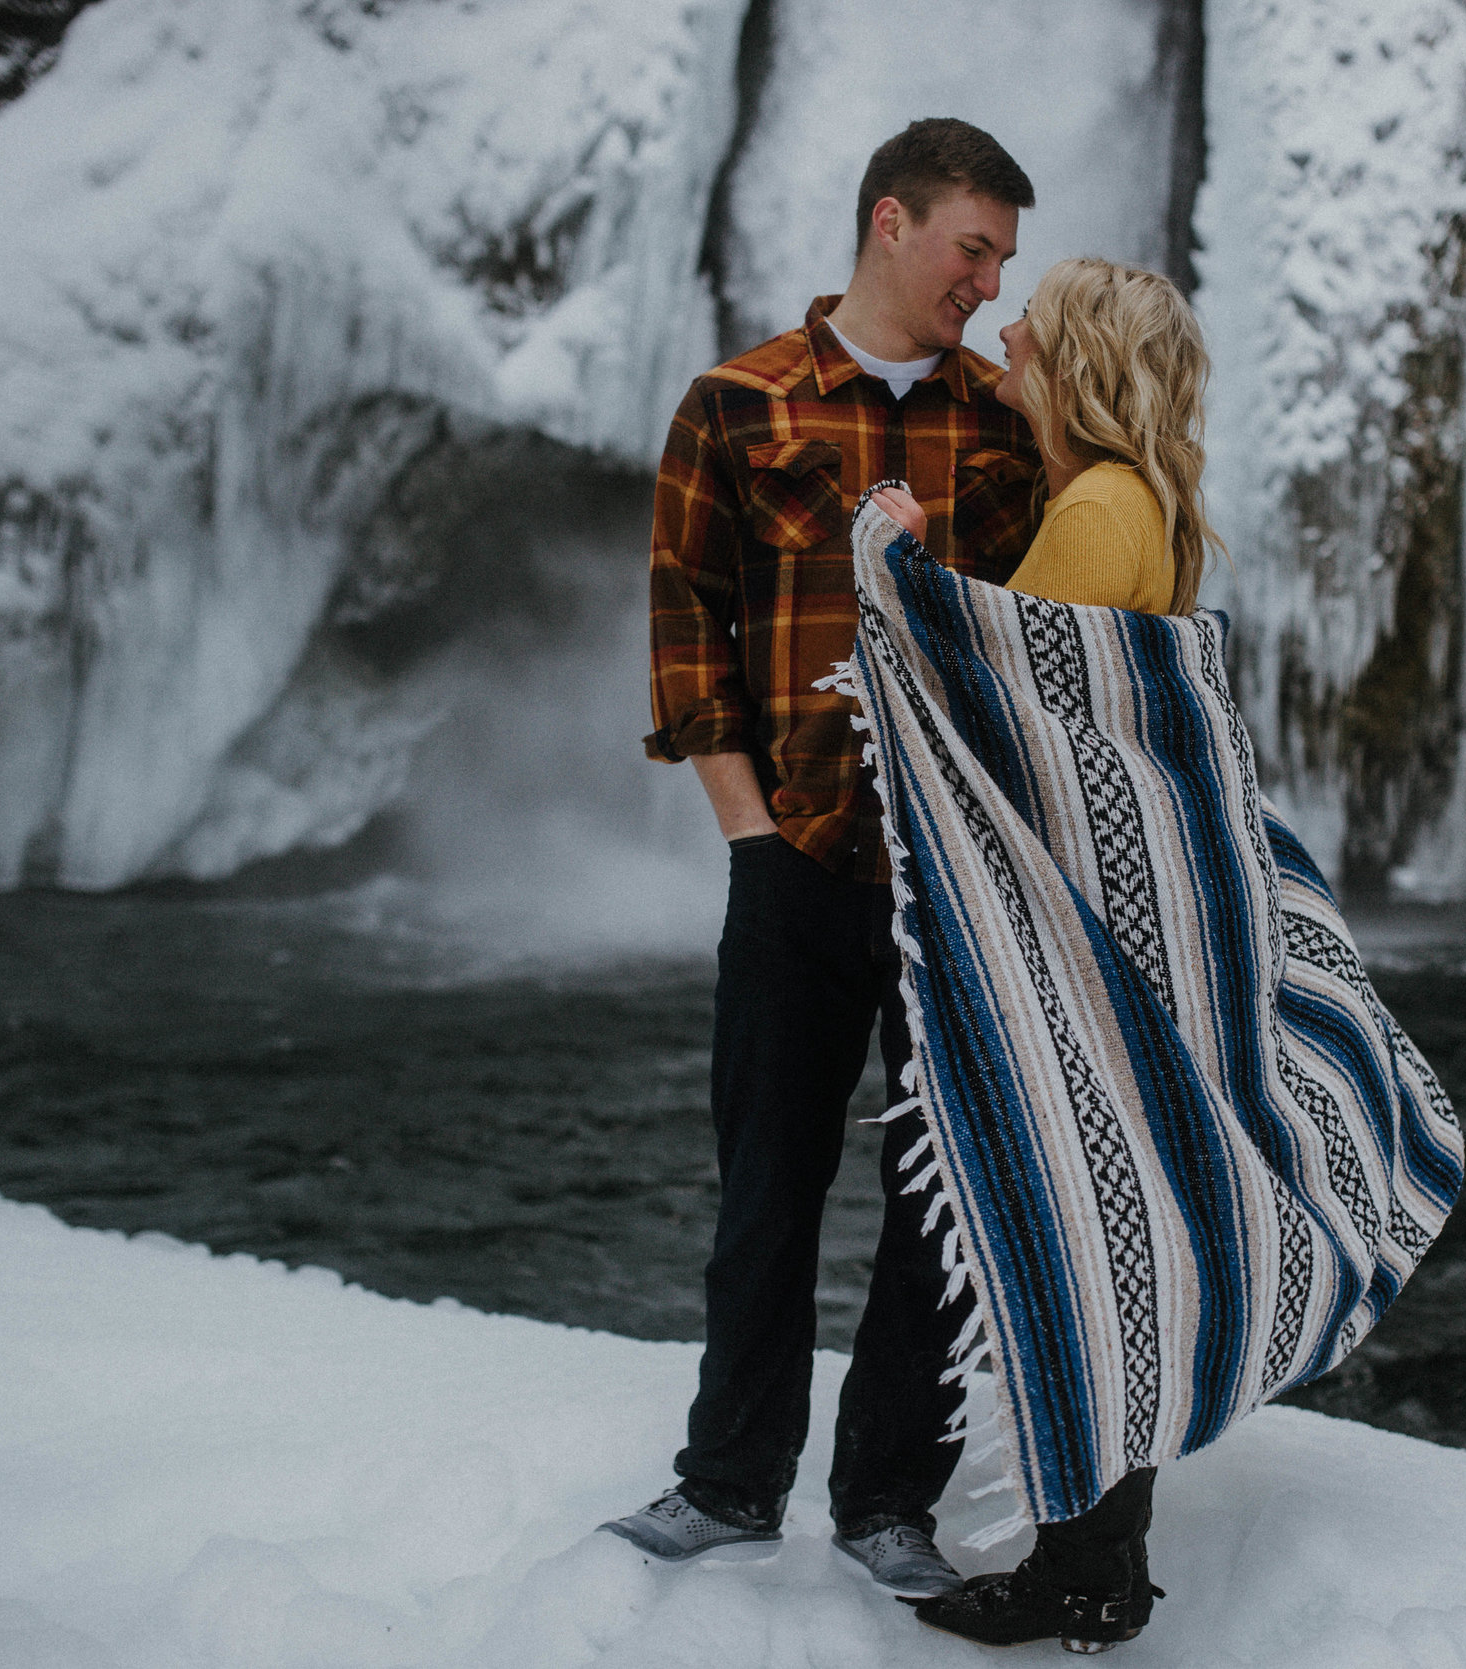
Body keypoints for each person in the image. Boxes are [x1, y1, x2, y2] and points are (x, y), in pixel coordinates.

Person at [600, 118, 1042, 1601]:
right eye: (972, 247)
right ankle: (727, 1484)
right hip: (791, 859)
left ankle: (886, 1502)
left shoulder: (1006, 423)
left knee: (944, 1198)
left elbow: (1055, 638)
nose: (987, 281)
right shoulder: (736, 403)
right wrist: (745, 828)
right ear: (891, 222)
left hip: (955, 878)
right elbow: (683, 624)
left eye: (1002, 257)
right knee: (766, 1182)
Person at [866, 254, 1224, 1651]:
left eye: (1033, 318)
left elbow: (1007, 725)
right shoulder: (1146, 505)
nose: (1002, 328)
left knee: (1070, 1225)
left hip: (1068, 938)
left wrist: (900, 567)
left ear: (1076, 358)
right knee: (1108, 1216)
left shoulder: (1094, 510)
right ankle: (1093, 1559)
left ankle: (1082, 1575)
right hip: (1120, 923)